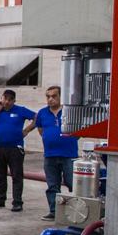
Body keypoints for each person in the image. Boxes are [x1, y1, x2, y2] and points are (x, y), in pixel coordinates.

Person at [0, 89, 35, 212]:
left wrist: (27, 130)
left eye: (10, 99)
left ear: (14, 101)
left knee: (17, 176)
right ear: (1, 98)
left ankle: (17, 202)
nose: (7, 102)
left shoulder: (21, 110)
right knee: (0, 175)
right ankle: (0, 199)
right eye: (5, 98)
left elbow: (37, 117)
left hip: (15, 148)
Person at [35, 85, 78, 221]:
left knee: (72, 184)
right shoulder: (42, 113)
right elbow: (41, 130)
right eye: (48, 97)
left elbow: (78, 132)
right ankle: (54, 212)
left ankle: (75, 212)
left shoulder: (70, 112)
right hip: (50, 155)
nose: (50, 99)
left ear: (61, 97)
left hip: (68, 155)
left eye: (54, 96)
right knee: (52, 185)